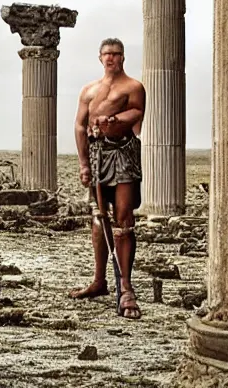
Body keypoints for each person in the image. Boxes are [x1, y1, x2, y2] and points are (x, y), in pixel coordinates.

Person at [69, 37, 146, 319]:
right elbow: (79, 126)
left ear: (123, 57)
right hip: (96, 154)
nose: (111, 58)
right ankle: (99, 281)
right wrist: (83, 164)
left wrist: (115, 120)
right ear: (100, 58)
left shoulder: (133, 87)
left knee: (123, 219)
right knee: (98, 218)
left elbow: (138, 114)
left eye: (116, 54)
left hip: (122, 153)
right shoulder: (88, 90)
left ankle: (125, 287)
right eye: (107, 54)